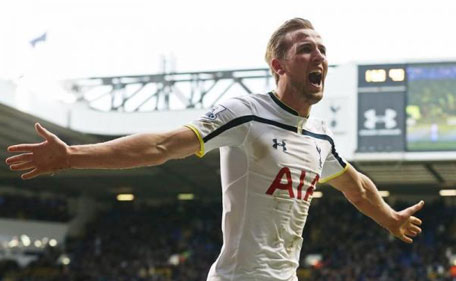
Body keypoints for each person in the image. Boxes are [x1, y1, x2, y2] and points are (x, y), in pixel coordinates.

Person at [5, 18, 423, 281]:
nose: (319, 56)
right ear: (278, 66)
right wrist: (73, 156)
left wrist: (389, 219)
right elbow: (163, 145)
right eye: (305, 49)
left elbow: (357, 188)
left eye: (323, 50)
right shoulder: (244, 113)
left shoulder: (320, 136)